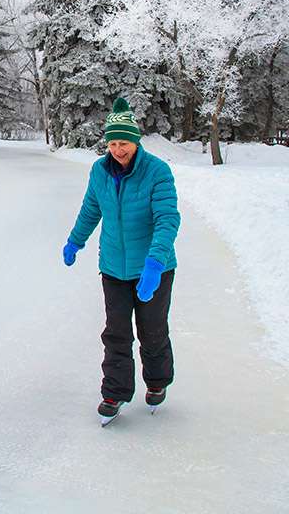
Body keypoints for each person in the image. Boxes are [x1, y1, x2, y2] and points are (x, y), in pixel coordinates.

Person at [62, 97, 181, 423]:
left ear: (136, 140)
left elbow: (167, 219)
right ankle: (114, 392)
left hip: (153, 268)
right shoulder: (100, 172)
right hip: (114, 268)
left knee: (152, 331)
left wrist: (155, 264)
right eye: (113, 143)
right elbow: (91, 209)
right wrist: (75, 240)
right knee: (116, 333)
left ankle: (156, 383)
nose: (118, 149)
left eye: (124, 142)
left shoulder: (157, 171)